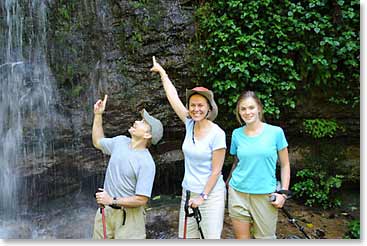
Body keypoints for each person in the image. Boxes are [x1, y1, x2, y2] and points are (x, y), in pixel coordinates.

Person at [150, 56, 227, 239]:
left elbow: (216, 171)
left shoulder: (218, 134)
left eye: (201, 105)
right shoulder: (189, 123)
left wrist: (203, 197)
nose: (196, 109)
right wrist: (162, 72)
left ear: (209, 108)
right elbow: (173, 97)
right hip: (188, 192)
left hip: (210, 196)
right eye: (193, 105)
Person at [92, 94, 163, 239]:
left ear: (148, 135)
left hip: (130, 219)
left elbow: (141, 199)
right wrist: (98, 115)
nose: (136, 121)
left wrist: (112, 200)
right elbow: (98, 141)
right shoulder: (120, 141)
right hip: (105, 212)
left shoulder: (147, 163)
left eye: (143, 122)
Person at [225, 91, 291, 239]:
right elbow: (237, 162)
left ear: (259, 108)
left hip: (265, 195)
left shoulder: (276, 133)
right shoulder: (236, 134)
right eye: (243, 109)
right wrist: (227, 183)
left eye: (251, 107)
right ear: (238, 112)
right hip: (237, 193)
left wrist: (284, 194)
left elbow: (285, 165)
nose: (247, 112)